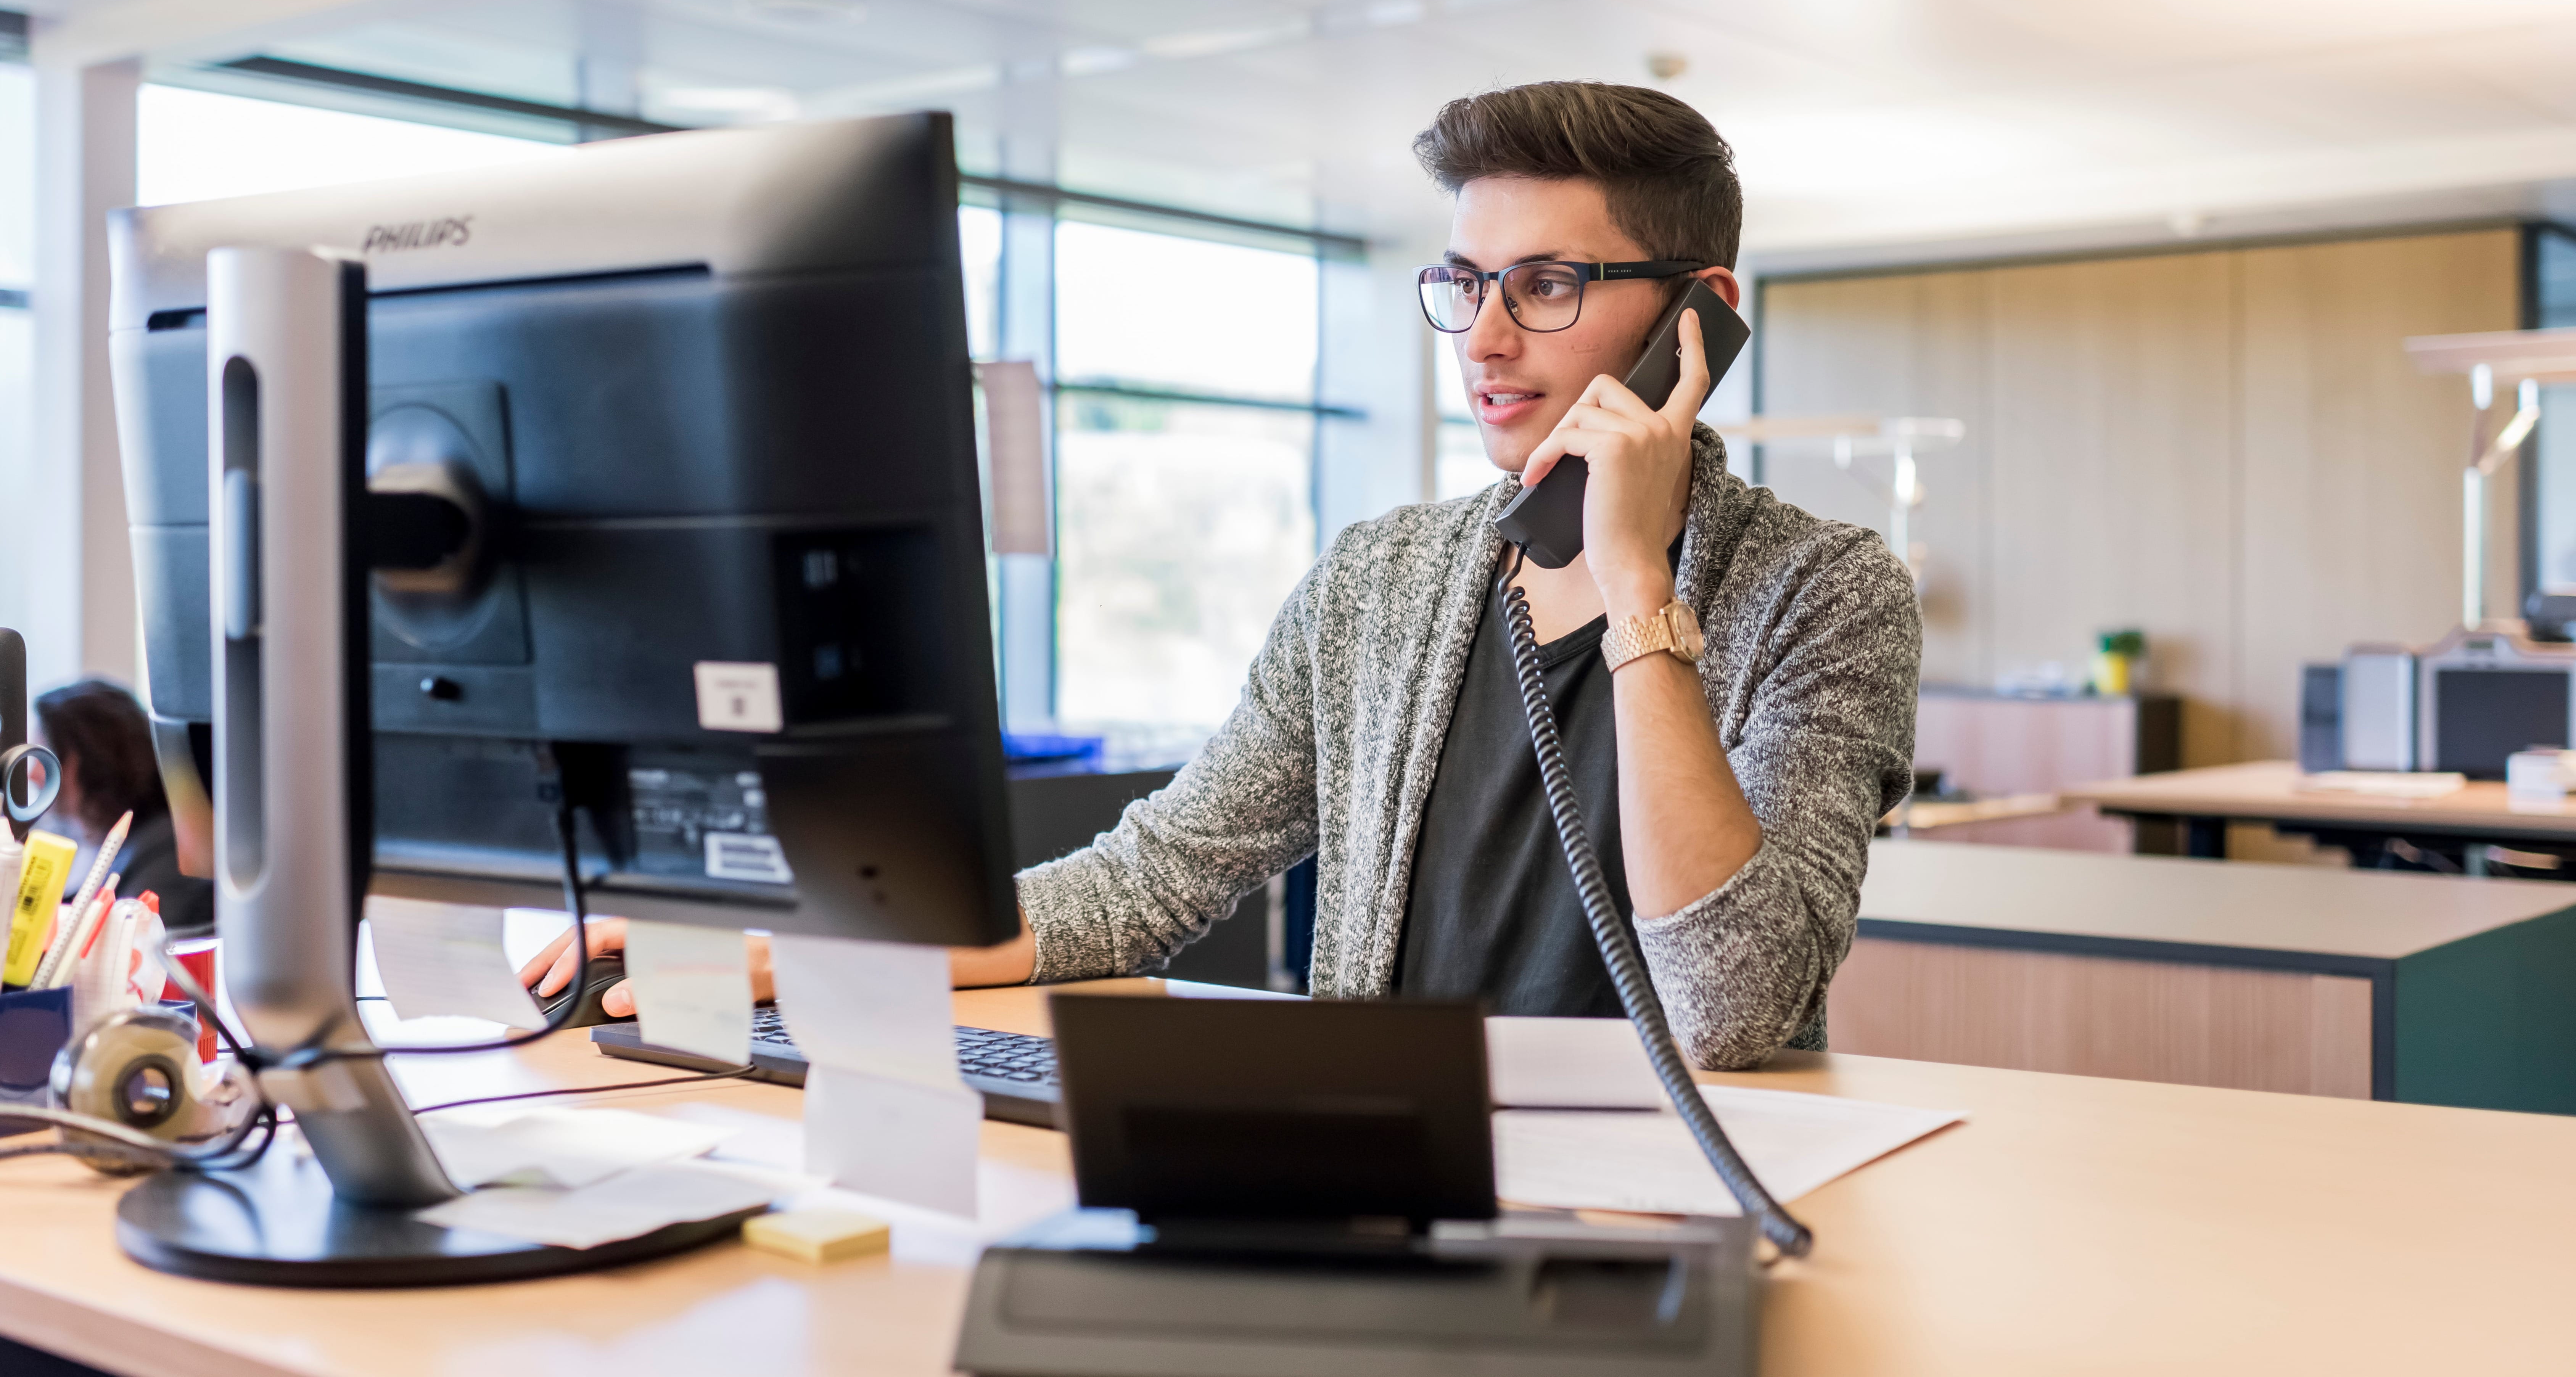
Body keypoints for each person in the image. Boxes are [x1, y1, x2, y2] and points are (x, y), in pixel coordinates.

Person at [525, 82, 1921, 1068]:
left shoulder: (1826, 590)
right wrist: (821, 946)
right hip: (1396, 1161)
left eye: (1547, 282)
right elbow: (1153, 879)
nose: (1485, 341)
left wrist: (1637, 594)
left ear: (1699, 318)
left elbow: (1733, 1007)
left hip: (1675, 1193)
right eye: (1463, 282)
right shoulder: (1379, 582)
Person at [32, 677, 212, 937]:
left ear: (90, 760)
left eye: (44, 753)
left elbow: (138, 958)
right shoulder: (126, 846)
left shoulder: (169, 853)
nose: (33, 774)